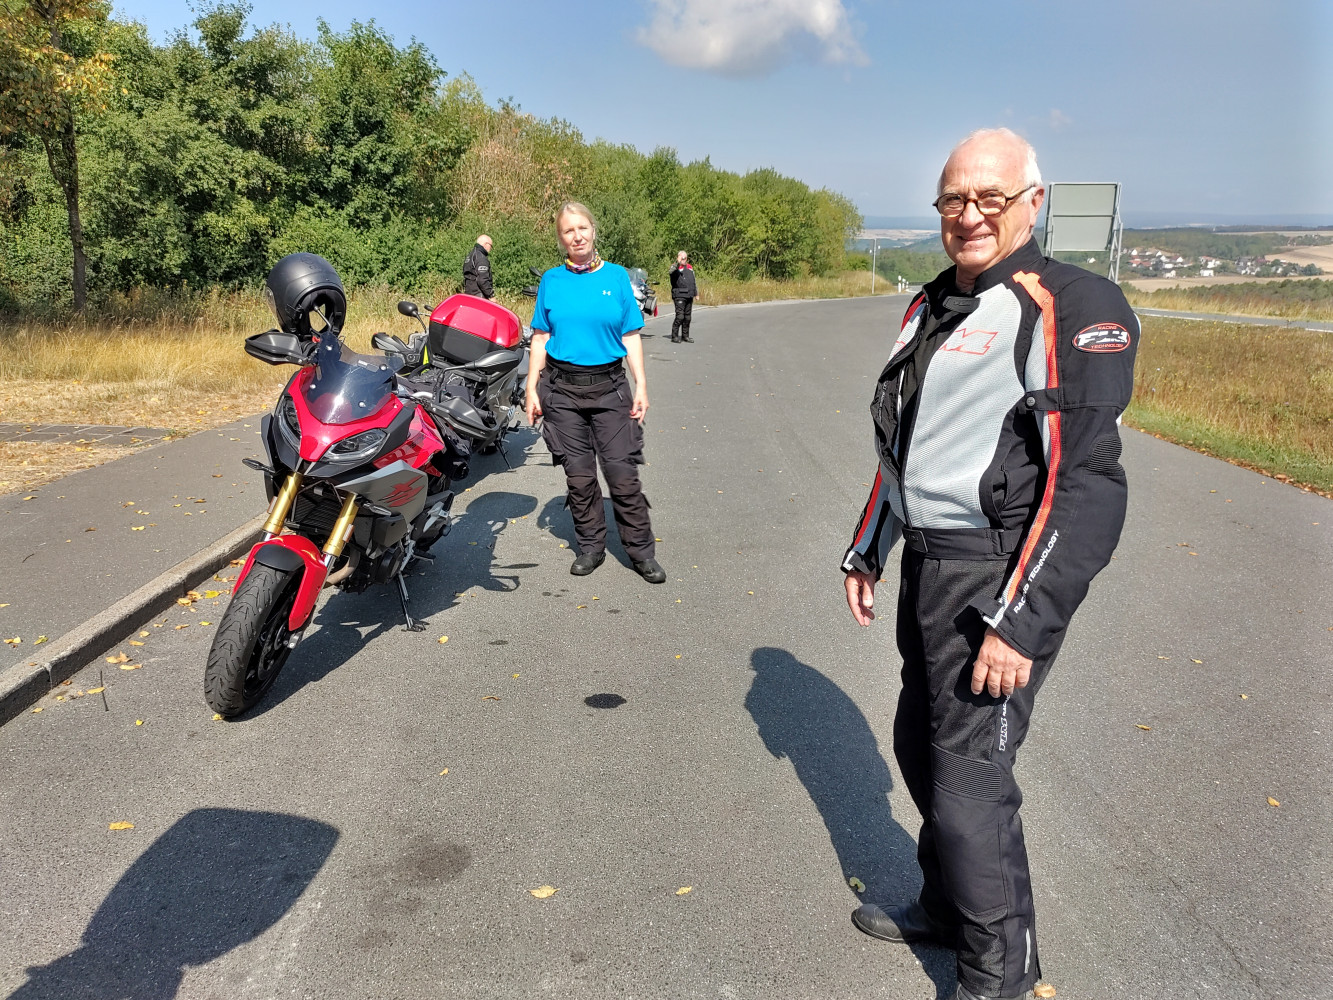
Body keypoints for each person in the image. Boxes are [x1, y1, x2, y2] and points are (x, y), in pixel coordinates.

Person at [841, 128, 1138, 1000]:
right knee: (919, 747)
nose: (968, 215)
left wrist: (1021, 620)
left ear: (1031, 203)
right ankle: (946, 907)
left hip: (997, 575)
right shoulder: (933, 301)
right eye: (952, 199)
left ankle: (997, 975)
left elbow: (1086, 483)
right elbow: (908, 442)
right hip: (927, 569)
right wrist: (870, 543)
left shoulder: (1071, 303)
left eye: (989, 198)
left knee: (969, 787)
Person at [524, 202, 666, 584]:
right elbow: (541, 336)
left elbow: (630, 336)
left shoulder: (617, 277)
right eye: (568, 231)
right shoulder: (552, 281)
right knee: (580, 476)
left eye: (582, 228)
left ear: (593, 230)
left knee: (622, 473)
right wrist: (531, 387)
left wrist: (641, 386)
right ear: (561, 239)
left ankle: (641, 552)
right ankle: (591, 547)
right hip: (562, 392)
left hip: (610, 389)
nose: (577, 236)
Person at [668, 250, 698, 343]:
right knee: (680, 316)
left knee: (687, 317)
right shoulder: (674, 267)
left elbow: (693, 281)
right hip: (679, 295)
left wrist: (696, 293)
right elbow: (671, 272)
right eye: (682, 258)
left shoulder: (690, 268)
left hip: (689, 295)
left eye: (685, 258)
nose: (684, 260)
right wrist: (678, 262)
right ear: (678, 258)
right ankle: (674, 336)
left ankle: (685, 336)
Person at [463, 234, 494, 299]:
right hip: (479, 295)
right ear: (486, 244)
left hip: (468, 294)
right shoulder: (481, 258)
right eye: (491, 246)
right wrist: (491, 295)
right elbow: (482, 280)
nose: (491, 249)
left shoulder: (470, 256)